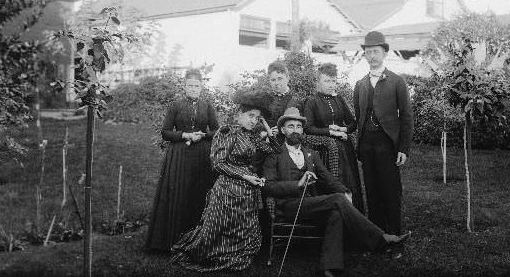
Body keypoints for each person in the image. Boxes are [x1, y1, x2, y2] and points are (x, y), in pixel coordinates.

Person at [262, 107, 410, 277]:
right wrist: (297, 184)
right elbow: (268, 186)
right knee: (337, 200)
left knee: (336, 213)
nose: (295, 130)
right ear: (282, 130)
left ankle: (329, 267)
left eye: (298, 126)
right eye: (290, 126)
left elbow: (328, 178)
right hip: (288, 206)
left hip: (311, 204)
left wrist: (345, 191)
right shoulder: (275, 154)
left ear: (302, 130)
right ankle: (381, 239)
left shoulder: (311, 154)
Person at [171, 89, 280, 271]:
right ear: (239, 115)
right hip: (228, 189)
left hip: (248, 191)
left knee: (242, 228)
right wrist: (245, 176)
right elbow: (218, 164)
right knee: (220, 228)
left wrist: (268, 129)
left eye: (257, 118)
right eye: (250, 116)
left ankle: (237, 255)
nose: (253, 121)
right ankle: (215, 254)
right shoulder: (227, 132)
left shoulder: (252, 136)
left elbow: (275, 150)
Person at [353, 31, 413, 259]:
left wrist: (403, 149)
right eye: (368, 52)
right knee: (373, 193)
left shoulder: (397, 81)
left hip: (388, 145)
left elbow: (407, 117)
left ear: (385, 53)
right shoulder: (360, 84)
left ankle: (396, 240)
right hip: (366, 146)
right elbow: (358, 118)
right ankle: (377, 241)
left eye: (376, 51)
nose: (371, 56)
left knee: (390, 192)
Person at [145, 69, 219, 253]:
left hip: (202, 156)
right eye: (190, 86)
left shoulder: (207, 106)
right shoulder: (176, 106)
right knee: (180, 192)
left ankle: (196, 242)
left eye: (197, 86)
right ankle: (172, 240)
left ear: (201, 87)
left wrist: (202, 135)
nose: (193, 89)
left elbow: (217, 131)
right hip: (179, 155)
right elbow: (165, 132)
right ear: (184, 86)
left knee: (198, 193)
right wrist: (184, 134)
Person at [303, 63, 363, 212]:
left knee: (351, 181)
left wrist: (342, 129)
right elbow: (308, 128)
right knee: (334, 183)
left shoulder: (339, 99)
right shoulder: (312, 101)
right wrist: (331, 132)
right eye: (327, 81)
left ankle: (355, 215)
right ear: (318, 82)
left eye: (333, 81)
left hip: (345, 148)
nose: (331, 85)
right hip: (324, 150)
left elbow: (352, 124)